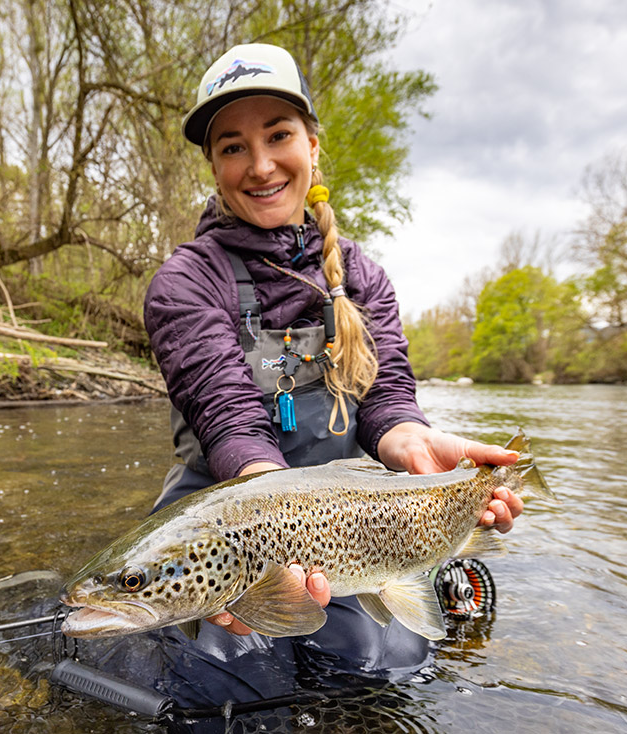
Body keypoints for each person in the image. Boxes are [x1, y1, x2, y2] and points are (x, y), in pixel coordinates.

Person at [134, 42, 523, 708]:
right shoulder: (186, 281)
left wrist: (414, 445)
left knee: (384, 671)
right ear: (213, 164)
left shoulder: (363, 278)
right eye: (232, 146)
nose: (259, 166)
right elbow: (228, 418)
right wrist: (274, 530)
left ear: (312, 146)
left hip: (348, 518)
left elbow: (388, 403)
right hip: (225, 514)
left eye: (278, 135)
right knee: (225, 690)